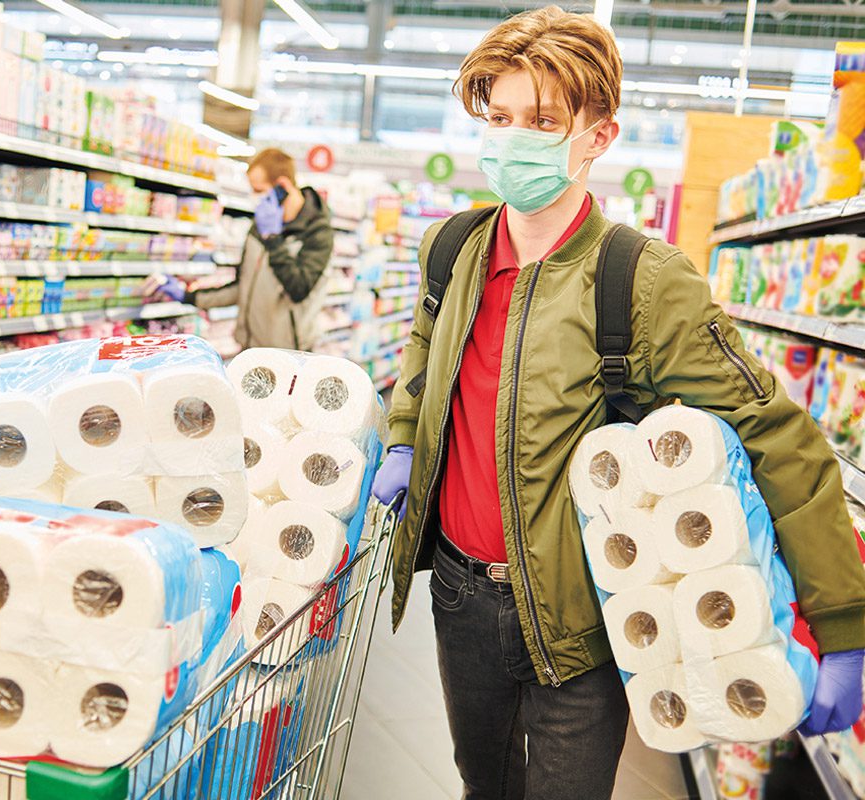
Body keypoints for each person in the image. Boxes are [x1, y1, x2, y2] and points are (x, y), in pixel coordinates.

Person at [369, 7, 865, 799]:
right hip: (459, 596)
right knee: (480, 784)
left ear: (598, 135)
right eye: (498, 117)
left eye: (542, 120)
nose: (511, 139)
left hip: (583, 619)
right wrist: (403, 437)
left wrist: (844, 624)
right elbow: (426, 353)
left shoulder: (642, 278)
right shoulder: (452, 248)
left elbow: (774, 433)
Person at [146, 148, 333, 350]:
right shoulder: (259, 227)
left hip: (290, 353)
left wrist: (273, 239)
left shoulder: (317, 232)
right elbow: (241, 285)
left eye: (259, 190)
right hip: (249, 348)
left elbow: (298, 288)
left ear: (283, 187)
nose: (255, 197)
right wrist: (188, 296)